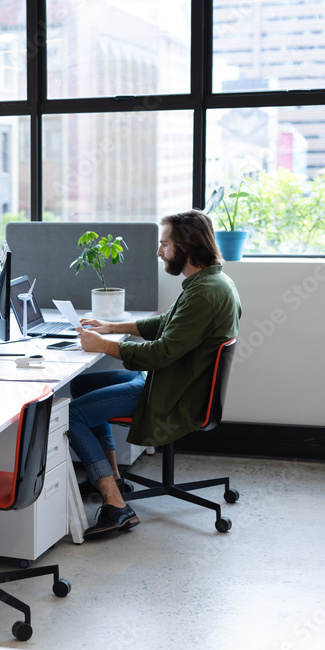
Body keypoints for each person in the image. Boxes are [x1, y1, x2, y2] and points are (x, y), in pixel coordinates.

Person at [69, 210, 241, 539]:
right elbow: (166, 324)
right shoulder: (211, 282)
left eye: (164, 244)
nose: (159, 251)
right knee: (81, 383)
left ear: (187, 247)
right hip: (172, 381)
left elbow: (162, 353)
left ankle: (115, 503)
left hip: (172, 392)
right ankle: (113, 476)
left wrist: (103, 346)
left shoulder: (204, 293)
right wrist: (111, 327)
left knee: (71, 415)